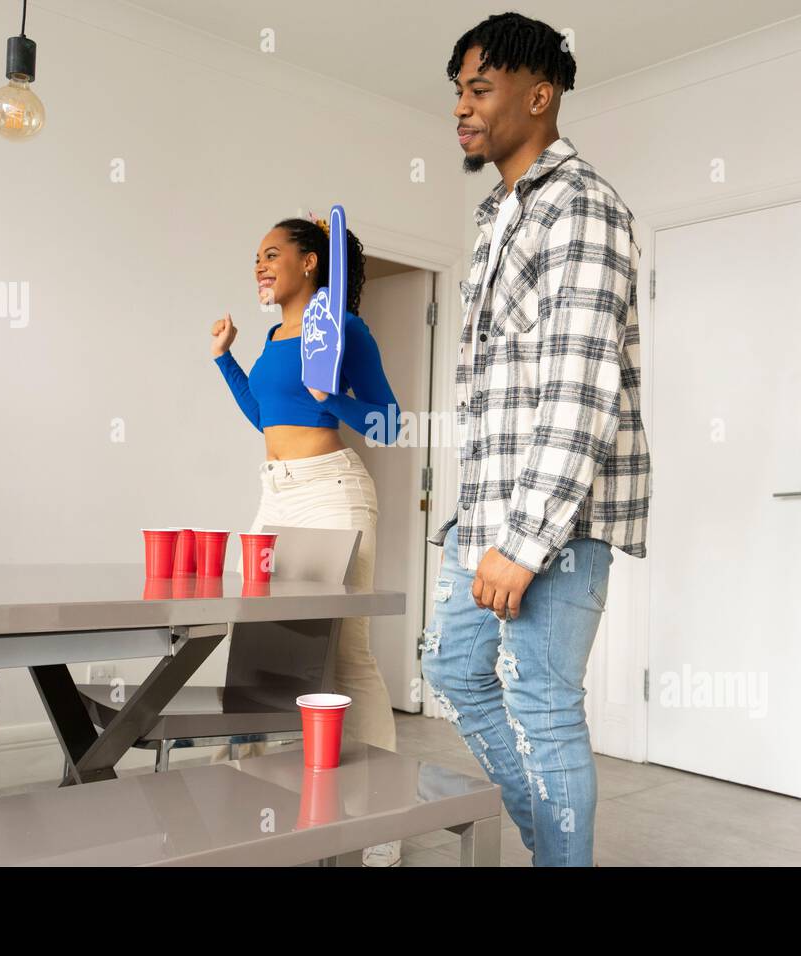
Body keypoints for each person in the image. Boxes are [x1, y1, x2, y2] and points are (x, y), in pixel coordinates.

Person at [421, 12, 652, 867]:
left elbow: (580, 385)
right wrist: (475, 527)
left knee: (542, 702)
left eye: (480, 89)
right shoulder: (497, 219)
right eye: (458, 93)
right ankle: (555, 851)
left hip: (548, 526)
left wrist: (523, 544)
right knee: (451, 672)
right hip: (480, 513)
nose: (462, 108)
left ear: (540, 94)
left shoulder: (584, 208)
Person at [210, 214, 405, 866]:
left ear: (311, 263)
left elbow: (387, 422)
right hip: (276, 490)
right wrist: (225, 361)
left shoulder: (343, 330)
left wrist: (336, 397)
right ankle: (243, 797)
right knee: (259, 647)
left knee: (348, 655)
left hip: (331, 492)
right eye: (255, 259)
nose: (260, 267)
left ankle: (380, 825)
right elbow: (265, 416)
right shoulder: (273, 336)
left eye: (271, 254)